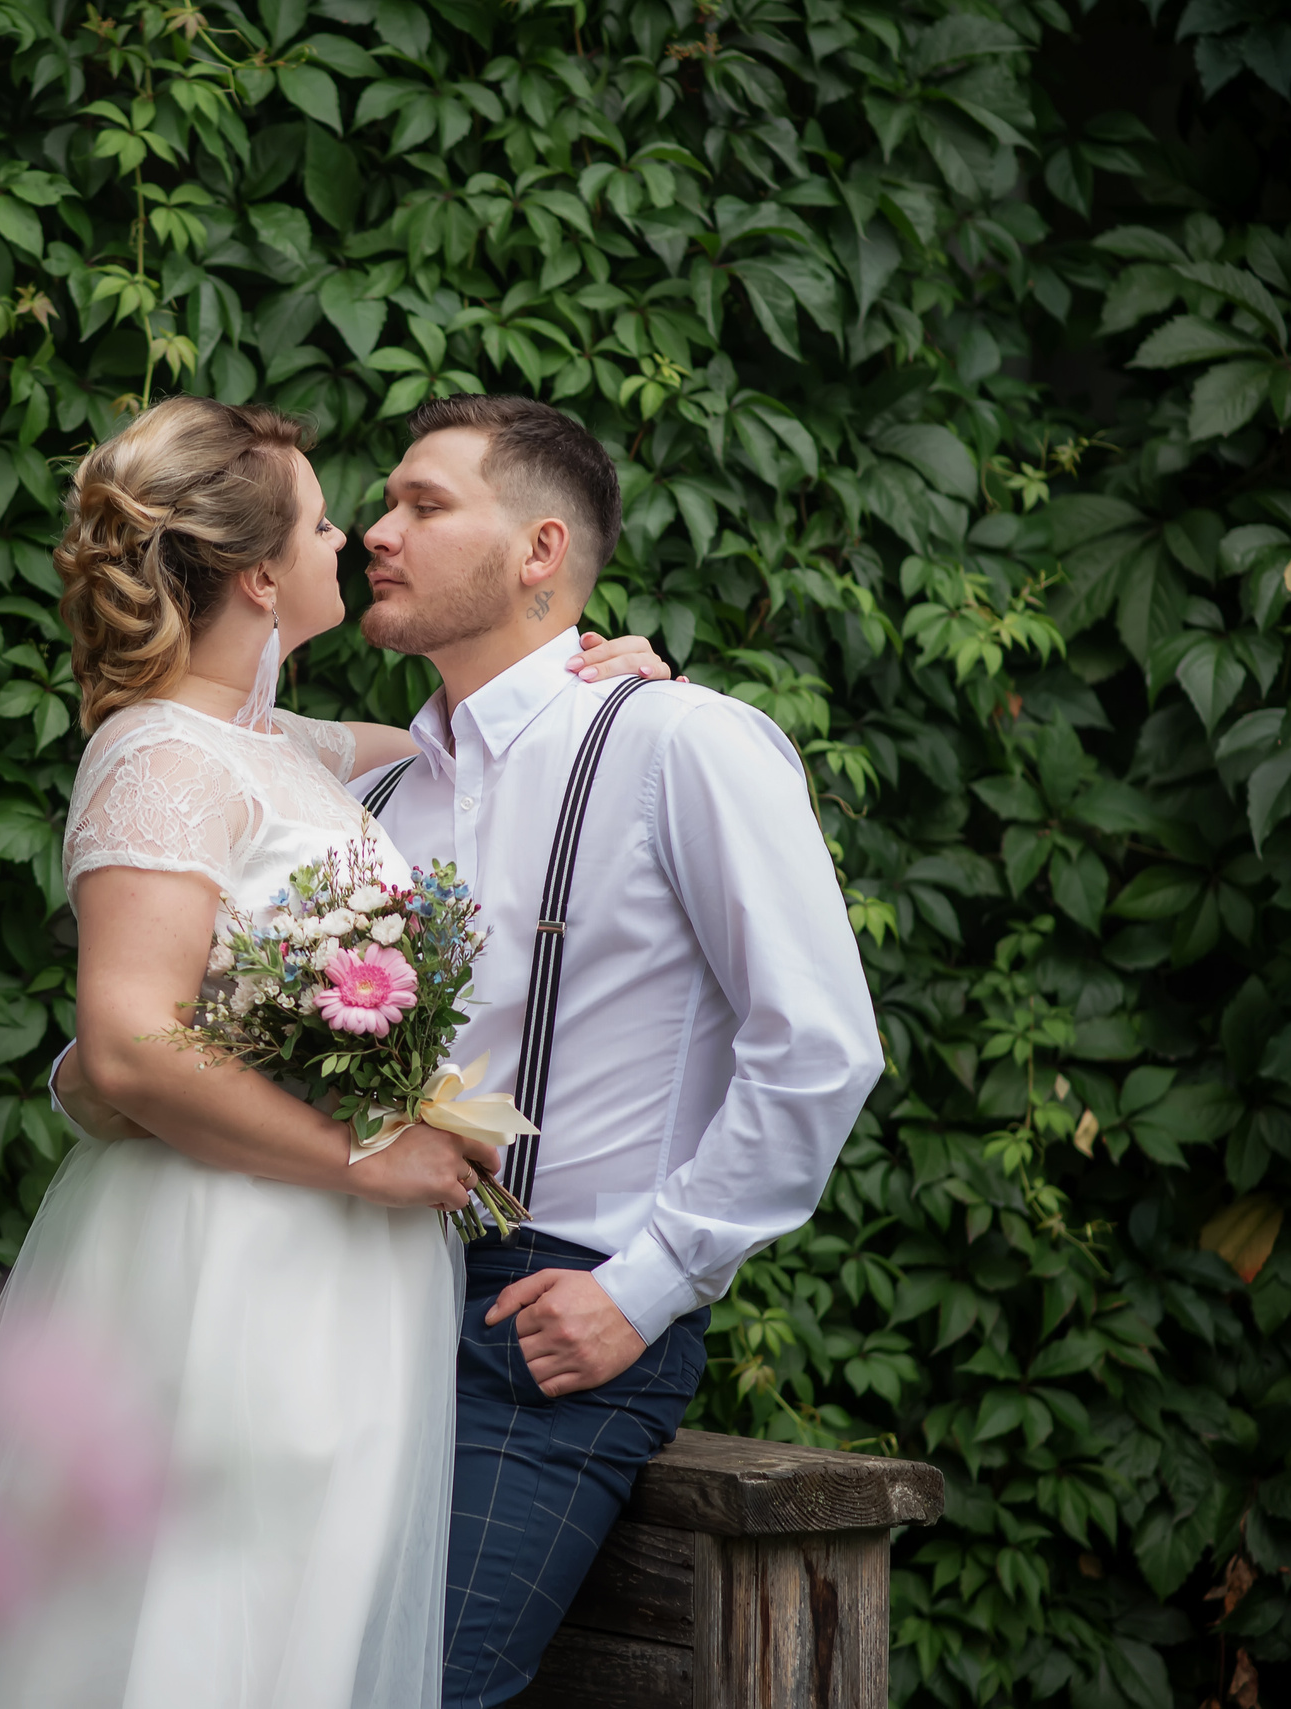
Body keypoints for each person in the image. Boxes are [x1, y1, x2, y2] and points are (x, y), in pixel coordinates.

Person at [0, 398, 666, 1709]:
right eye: (321, 520)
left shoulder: (295, 751)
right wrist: (367, 1154)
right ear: (257, 575)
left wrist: (618, 686)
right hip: (230, 1260)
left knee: (296, 1636)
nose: (354, 533)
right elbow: (128, 1047)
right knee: (194, 1623)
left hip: (338, 1282)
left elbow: (477, 746)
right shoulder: (156, 753)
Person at [349, 396, 886, 1709]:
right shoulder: (373, 799)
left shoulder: (677, 742)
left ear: (540, 551)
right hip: (354, 1308)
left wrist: (646, 1287)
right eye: (381, 503)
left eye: (423, 504)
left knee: (419, 1693)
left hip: (552, 1321)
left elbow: (818, 1045)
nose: (376, 531)